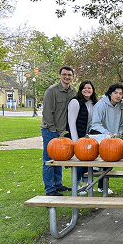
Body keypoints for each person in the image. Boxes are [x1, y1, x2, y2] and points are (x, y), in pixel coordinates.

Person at [41, 66, 77, 196]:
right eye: (64, 74)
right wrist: (53, 129)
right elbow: (46, 112)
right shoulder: (52, 91)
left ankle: (58, 184)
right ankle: (50, 189)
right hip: (51, 130)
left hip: (63, 131)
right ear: (60, 75)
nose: (67, 77)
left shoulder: (73, 91)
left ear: (72, 77)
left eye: (69, 75)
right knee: (49, 159)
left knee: (60, 157)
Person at [89, 83, 123, 194]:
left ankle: (103, 187)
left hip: (112, 139)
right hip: (99, 136)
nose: (118, 96)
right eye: (115, 93)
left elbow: (121, 124)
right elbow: (95, 124)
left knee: (109, 163)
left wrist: (117, 134)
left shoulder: (120, 106)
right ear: (110, 93)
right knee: (101, 163)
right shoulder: (100, 105)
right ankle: (90, 186)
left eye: (120, 93)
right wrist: (108, 134)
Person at [67, 80, 98, 195]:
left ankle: (86, 185)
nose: (87, 90)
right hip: (78, 137)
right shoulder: (75, 102)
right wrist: (76, 141)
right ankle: (77, 186)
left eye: (89, 88)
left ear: (93, 90)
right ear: (80, 90)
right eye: (84, 88)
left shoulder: (93, 103)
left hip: (88, 137)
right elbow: (71, 122)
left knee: (88, 161)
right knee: (79, 163)